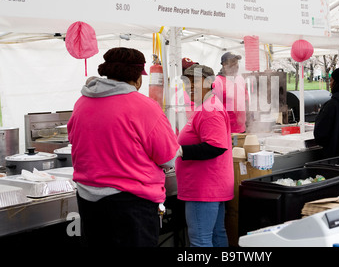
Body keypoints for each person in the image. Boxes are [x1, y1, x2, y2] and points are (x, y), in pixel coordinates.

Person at [67, 47, 181, 247]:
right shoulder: (144, 106)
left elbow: (73, 139)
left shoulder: (82, 103)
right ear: (137, 77)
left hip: (88, 201)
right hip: (132, 203)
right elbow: (168, 158)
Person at [176, 64, 234, 247]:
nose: (190, 86)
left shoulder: (209, 110)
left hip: (204, 188)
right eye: (187, 82)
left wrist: (181, 151)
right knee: (216, 236)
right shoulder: (207, 106)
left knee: (201, 240)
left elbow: (215, 146)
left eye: (195, 81)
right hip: (212, 185)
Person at [213, 52, 248, 133]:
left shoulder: (240, 79)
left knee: (240, 145)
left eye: (236, 62)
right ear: (224, 64)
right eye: (232, 62)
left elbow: (246, 99)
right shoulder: (217, 81)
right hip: (226, 129)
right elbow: (214, 107)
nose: (236, 65)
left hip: (242, 128)